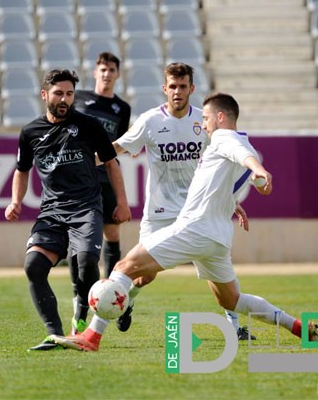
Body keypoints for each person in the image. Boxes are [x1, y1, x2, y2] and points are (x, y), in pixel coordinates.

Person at [50, 93, 318, 352]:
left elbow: (241, 155)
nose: (202, 124)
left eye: (206, 118)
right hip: (217, 238)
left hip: (194, 228)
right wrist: (236, 198)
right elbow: (225, 176)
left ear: (221, 117)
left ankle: (91, 336)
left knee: (124, 267)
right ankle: (295, 325)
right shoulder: (242, 140)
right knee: (232, 300)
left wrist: (258, 169)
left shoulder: (225, 137)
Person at [109, 63, 255, 341]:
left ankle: (235, 328)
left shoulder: (205, 122)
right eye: (172, 87)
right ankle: (127, 302)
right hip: (159, 212)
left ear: (192, 89)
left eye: (183, 86)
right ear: (165, 89)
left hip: (197, 212)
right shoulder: (150, 121)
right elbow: (116, 147)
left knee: (216, 271)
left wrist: (229, 200)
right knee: (143, 276)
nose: (177, 92)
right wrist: (86, 159)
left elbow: (222, 163)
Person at [4, 69, 131, 352]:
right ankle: (54, 333)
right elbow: (22, 170)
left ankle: (81, 316)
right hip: (51, 212)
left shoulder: (88, 126)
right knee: (34, 267)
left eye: (70, 94)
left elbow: (112, 164)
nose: (65, 99)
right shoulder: (30, 132)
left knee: (86, 262)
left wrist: (122, 202)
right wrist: (16, 201)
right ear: (44, 94)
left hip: (86, 208)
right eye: (59, 93)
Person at [70, 53, 131, 334]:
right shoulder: (79, 99)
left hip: (106, 177)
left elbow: (118, 146)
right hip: (80, 178)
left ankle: (111, 294)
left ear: (118, 74)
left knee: (113, 235)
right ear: (95, 73)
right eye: (103, 69)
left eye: (112, 70)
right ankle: (80, 305)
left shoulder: (122, 109)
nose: (107, 74)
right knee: (79, 239)